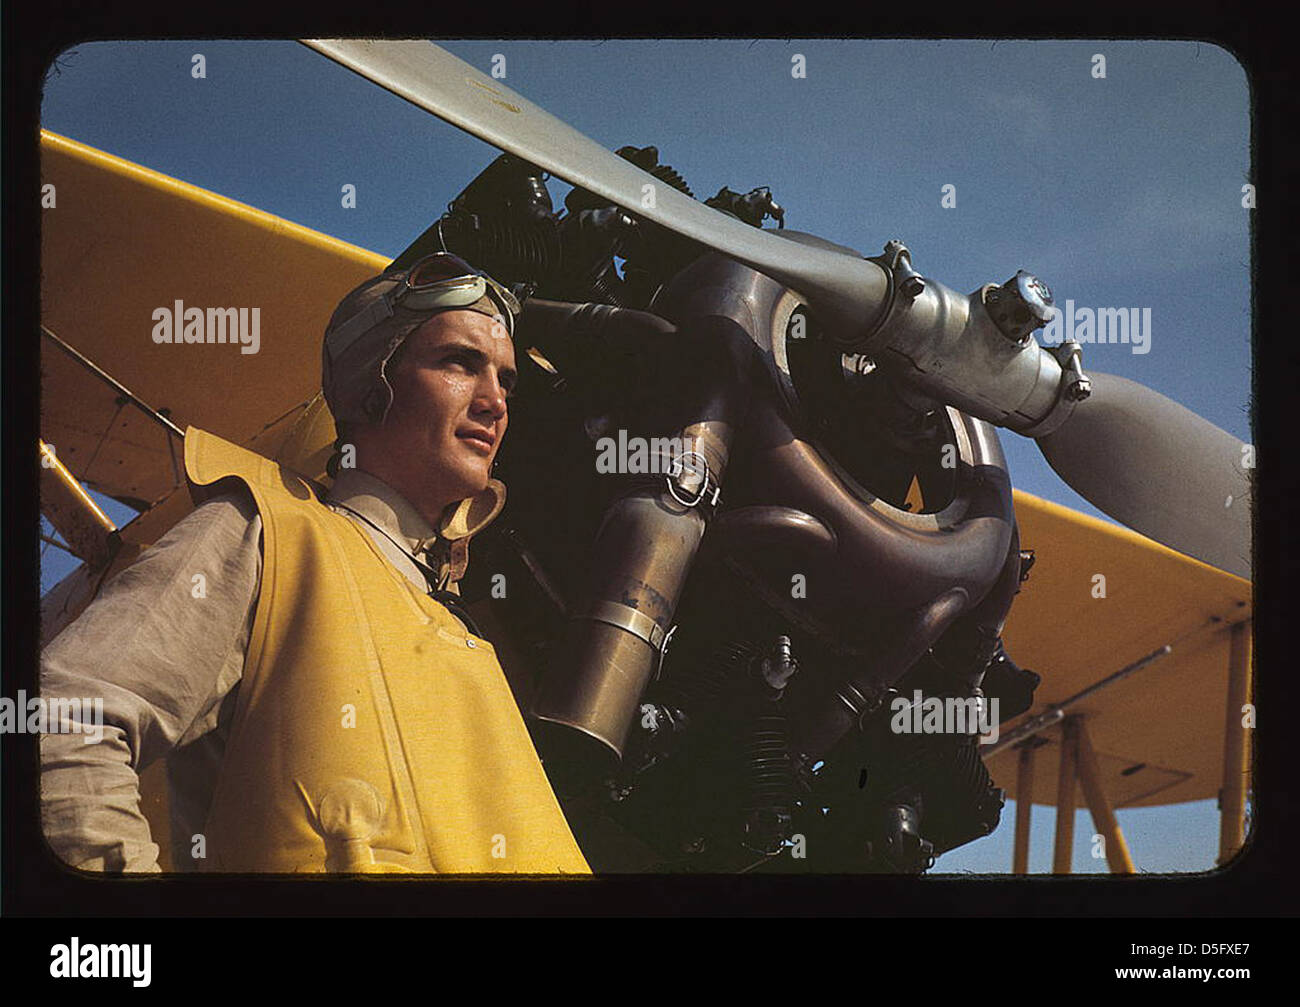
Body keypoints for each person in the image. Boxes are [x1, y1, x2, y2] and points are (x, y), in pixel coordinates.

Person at [40, 253, 592, 874]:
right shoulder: (267, 533)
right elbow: (62, 719)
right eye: (460, 363)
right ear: (371, 385)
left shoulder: (465, 635)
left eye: (507, 380)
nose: (495, 402)